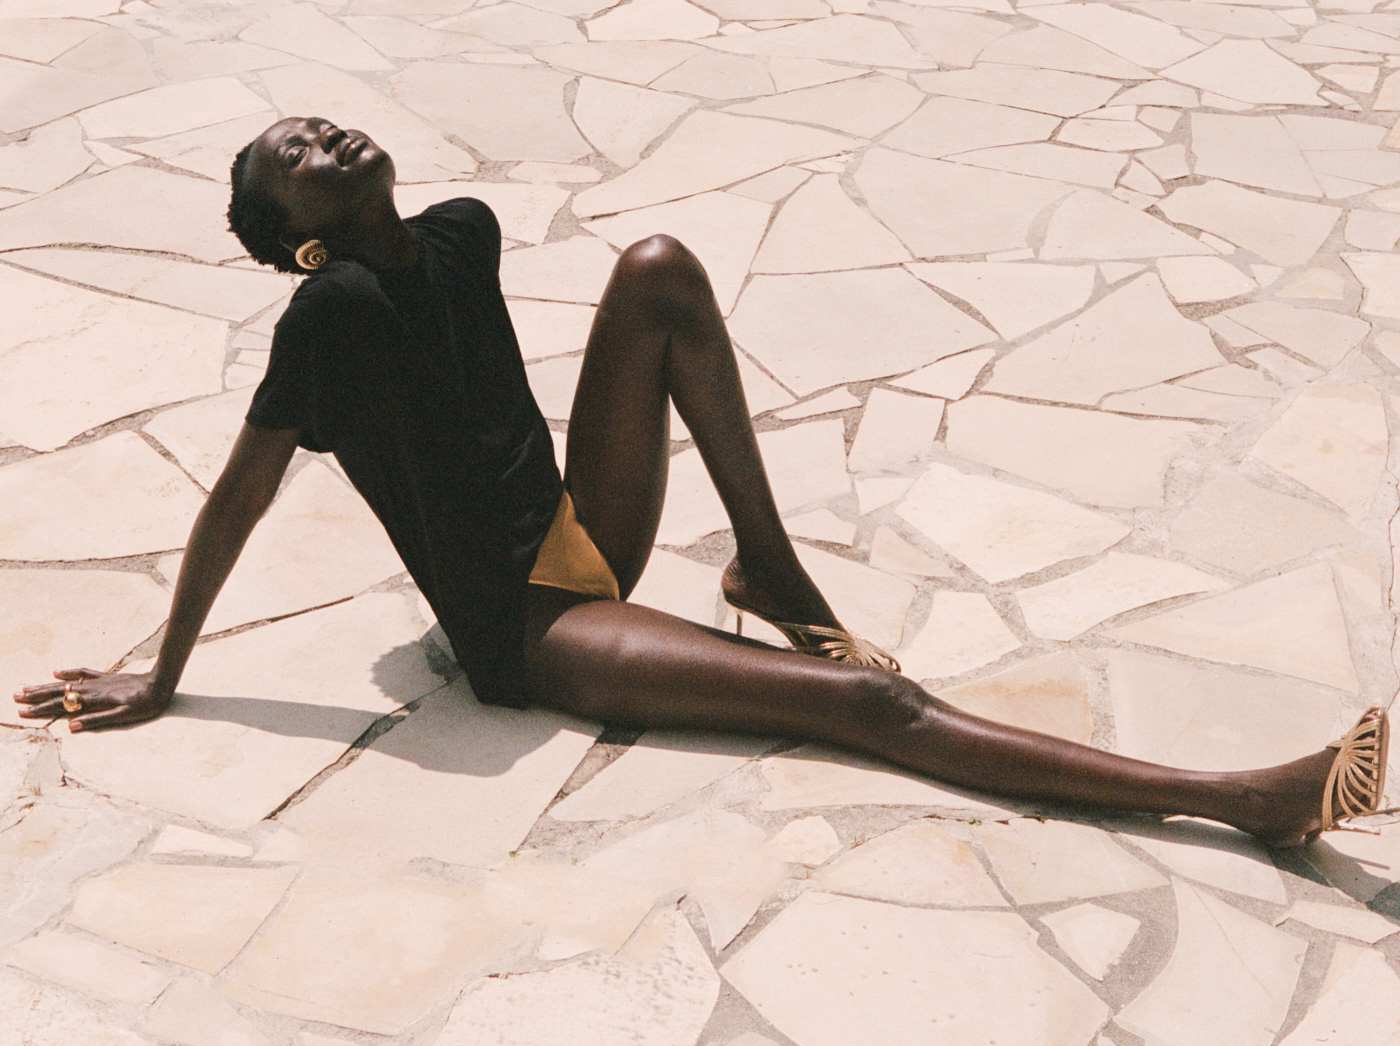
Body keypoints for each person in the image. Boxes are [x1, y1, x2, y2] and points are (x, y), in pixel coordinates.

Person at [13, 117, 1389, 849]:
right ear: (296, 239)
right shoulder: (331, 317)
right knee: (871, 703)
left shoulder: (463, 233)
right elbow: (241, 492)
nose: (324, 144)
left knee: (659, 269)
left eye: (319, 129)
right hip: (530, 625)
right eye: (294, 163)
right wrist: (165, 671)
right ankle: (1239, 797)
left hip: (575, 531)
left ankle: (766, 562)